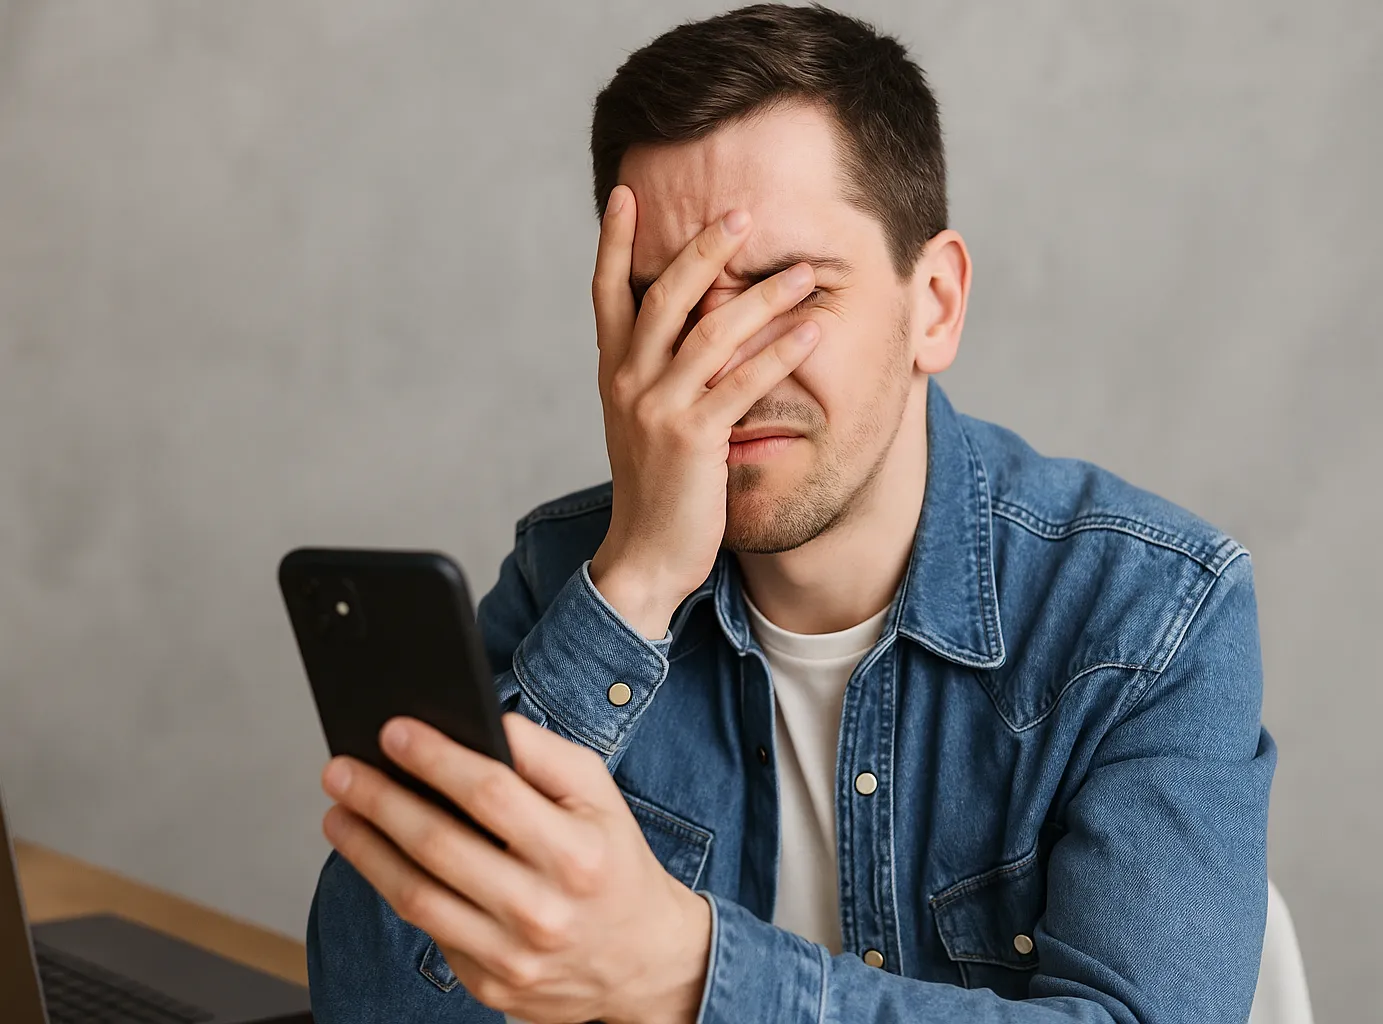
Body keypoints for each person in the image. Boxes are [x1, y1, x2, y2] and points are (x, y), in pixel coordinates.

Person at [305, 5, 1276, 1022]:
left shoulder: (1152, 614)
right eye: (666, 305)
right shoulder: (572, 575)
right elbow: (380, 1002)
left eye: (784, 289)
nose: (722, 363)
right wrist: (633, 583)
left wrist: (686, 974)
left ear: (934, 302)